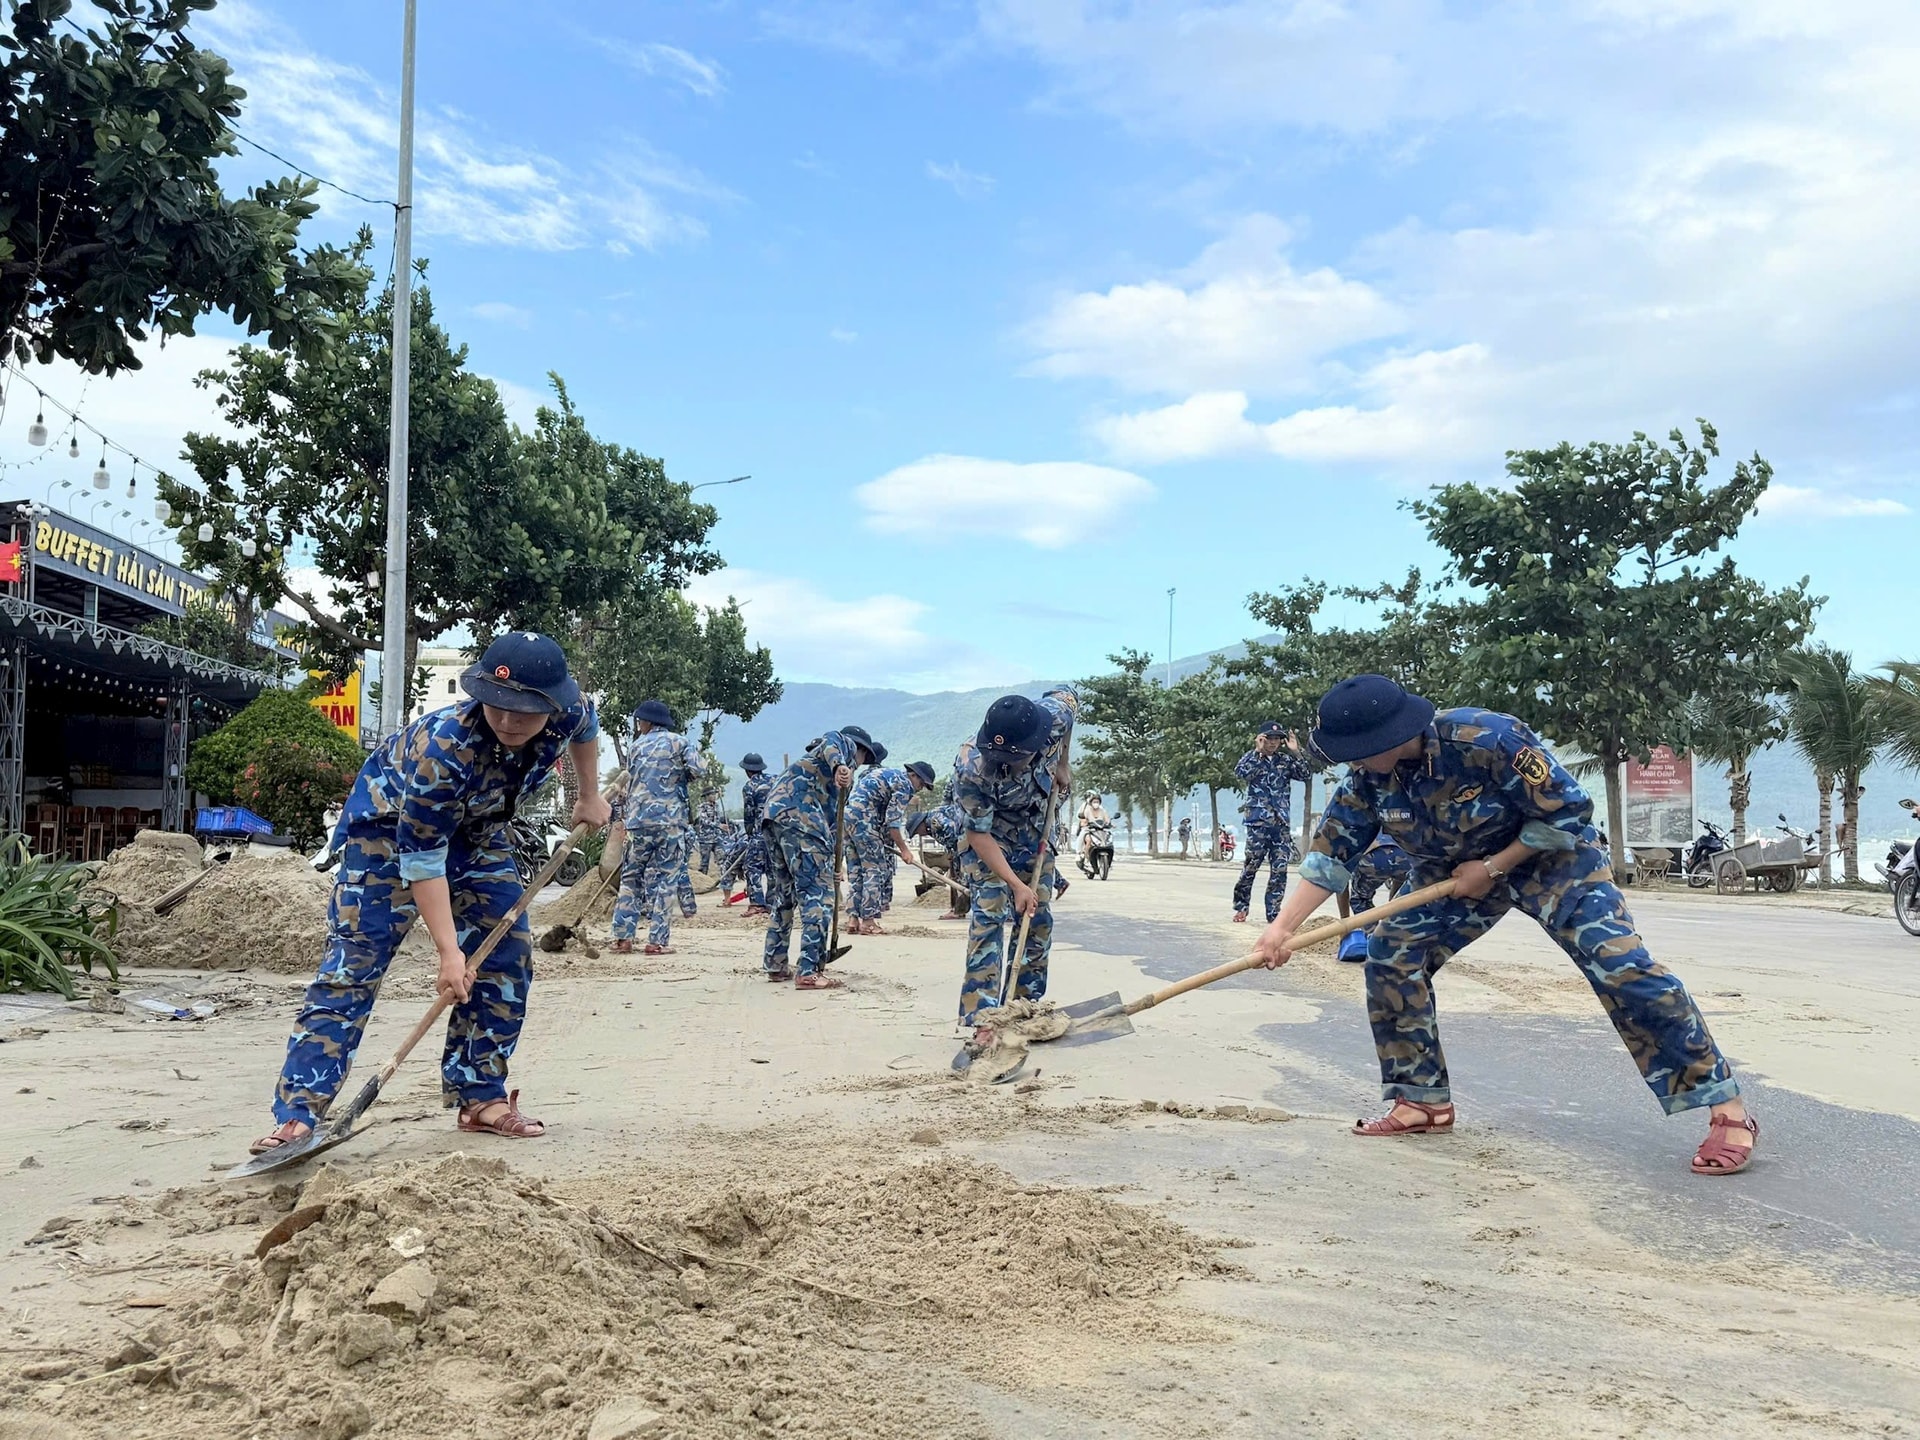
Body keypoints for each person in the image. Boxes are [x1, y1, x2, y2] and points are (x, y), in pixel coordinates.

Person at [1254, 674, 1757, 1175]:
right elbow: (1329, 860)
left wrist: (1494, 867)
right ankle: (1420, 1100)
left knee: (1620, 966)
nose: (1351, 761)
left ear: (1390, 735)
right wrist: (1283, 930)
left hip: (1553, 860)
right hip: (1451, 873)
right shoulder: (1366, 780)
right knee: (1391, 953)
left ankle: (1725, 1107)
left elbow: (1569, 812)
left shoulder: (1486, 738)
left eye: (1358, 750)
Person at [252, 633, 610, 1154]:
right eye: (499, 705)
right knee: (354, 967)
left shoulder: (569, 708)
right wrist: (449, 952)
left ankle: (481, 1095)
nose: (509, 720)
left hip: (478, 835)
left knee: (506, 955)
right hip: (384, 837)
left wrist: (589, 794)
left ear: (552, 702)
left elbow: (587, 730)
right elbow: (421, 860)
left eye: (525, 711)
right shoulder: (445, 747)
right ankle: (299, 1115)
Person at [952, 684, 1081, 1024]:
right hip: (990, 836)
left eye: (1014, 759)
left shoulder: (1055, 715)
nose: (1004, 765)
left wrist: (1063, 764)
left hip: (1036, 826)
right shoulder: (971, 766)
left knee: (1037, 916)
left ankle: (1024, 1006)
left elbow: (1068, 698)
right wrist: (1014, 884)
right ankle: (982, 1017)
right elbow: (978, 833)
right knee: (990, 912)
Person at [762, 725, 886, 988]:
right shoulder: (840, 750)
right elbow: (832, 738)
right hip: (801, 821)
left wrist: (833, 865)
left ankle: (775, 964)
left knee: (785, 895)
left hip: (775, 819)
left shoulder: (834, 781)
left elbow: (833, 824)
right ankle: (808, 970)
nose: (860, 765)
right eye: (863, 758)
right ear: (860, 749)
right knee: (817, 895)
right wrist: (841, 765)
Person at [611, 699, 706, 957]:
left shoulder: (635, 747)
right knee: (666, 880)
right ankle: (656, 941)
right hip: (670, 822)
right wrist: (681, 777)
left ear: (647, 722)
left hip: (638, 822)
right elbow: (699, 769)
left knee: (631, 878)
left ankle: (623, 938)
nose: (638, 725)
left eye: (639, 721)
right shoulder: (680, 742)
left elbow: (631, 778)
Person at [1232, 722, 1313, 923]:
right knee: (1251, 867)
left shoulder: (1285, 760)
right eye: (1270, 739)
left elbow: (1305, 774)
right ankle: (1241, 906)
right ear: (1262, 738)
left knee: (1279, 870)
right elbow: (1242, 773)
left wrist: (1297, 751)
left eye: (1278, 739)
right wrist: (1256, 753)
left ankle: (1274, 913)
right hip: (1258, 823)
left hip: (1280, 824)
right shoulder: (1251, 759)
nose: (1274, 743)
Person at [846, 760, 936, 935]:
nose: (919, 788)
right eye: (921, 784)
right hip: (865, 822)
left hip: (849, 820)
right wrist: (904, 850)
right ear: (913, 776)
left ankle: (853, 918)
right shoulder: (904, 786)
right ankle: (869, 922)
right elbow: (893, 823)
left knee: (856, 871)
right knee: (874, 870)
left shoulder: (888, 774)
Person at [1338, 835, 1412, 962]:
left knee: (1360, 899)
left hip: (1373, 857)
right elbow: (1398, 883)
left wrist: (1345, 925)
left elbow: (1341, 882)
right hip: (1406, 857)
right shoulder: (1387, 817)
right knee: (1403, 901)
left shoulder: (1343, 836)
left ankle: (1375, 943)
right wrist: (1391, 913)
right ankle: (1395, 940)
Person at [738, 754, 774, 916]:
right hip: (779, 833)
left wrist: (750, 832)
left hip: (760, 833)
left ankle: (757, 903)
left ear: (747, 771)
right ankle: (773, 902)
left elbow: (749, 814)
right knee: (774, 867)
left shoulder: (749, 786)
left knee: (752, 867)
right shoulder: (775, 780)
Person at [693, 787, 724, 873]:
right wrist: (718, 825)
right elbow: (703, 820)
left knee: (721, 858)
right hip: (706, 839)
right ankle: (703, 879)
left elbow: (718, 819)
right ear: (707, 796)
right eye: (712, 794)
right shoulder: (702, 807)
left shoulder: (716, 806)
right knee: (704, 862)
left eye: (715, 794)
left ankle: (724, 879)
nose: (714, 796)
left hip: (717, 837)